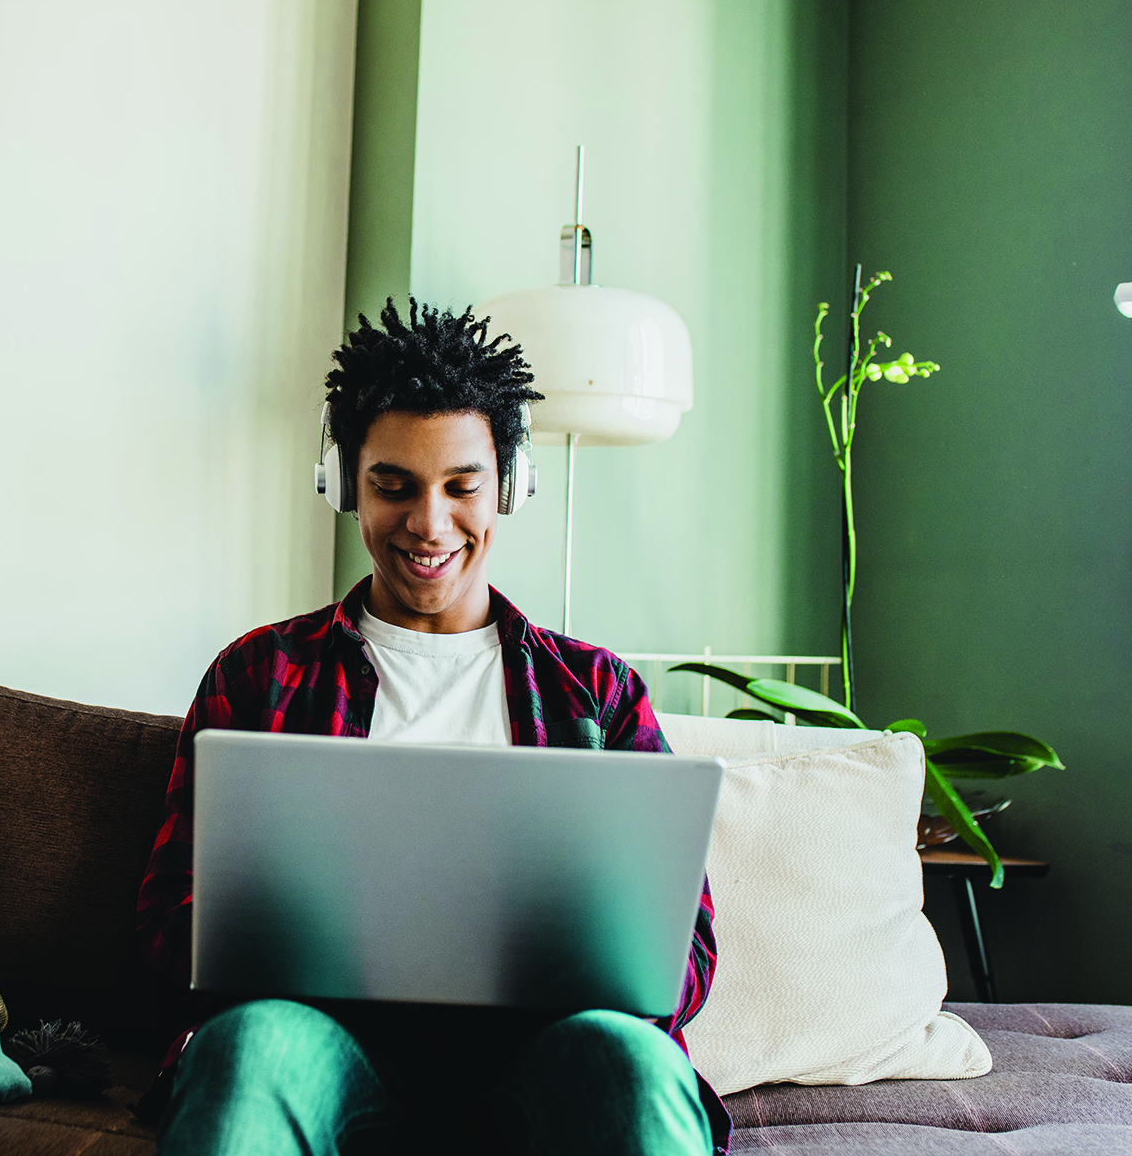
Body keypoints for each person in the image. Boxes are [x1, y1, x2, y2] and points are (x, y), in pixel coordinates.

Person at [136, 299, 725, 1156]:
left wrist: (589, 960)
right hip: (324, 1054)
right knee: (250, 1047)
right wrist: (271, 940)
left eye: (462, 486)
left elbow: (688, 951)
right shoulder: (257, 677)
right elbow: (163, 926)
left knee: (633, 1064)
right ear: (342, 483)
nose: (429, 524)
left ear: (511, 484)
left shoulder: (595, 694)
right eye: (394, 485)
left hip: (544, 1064)